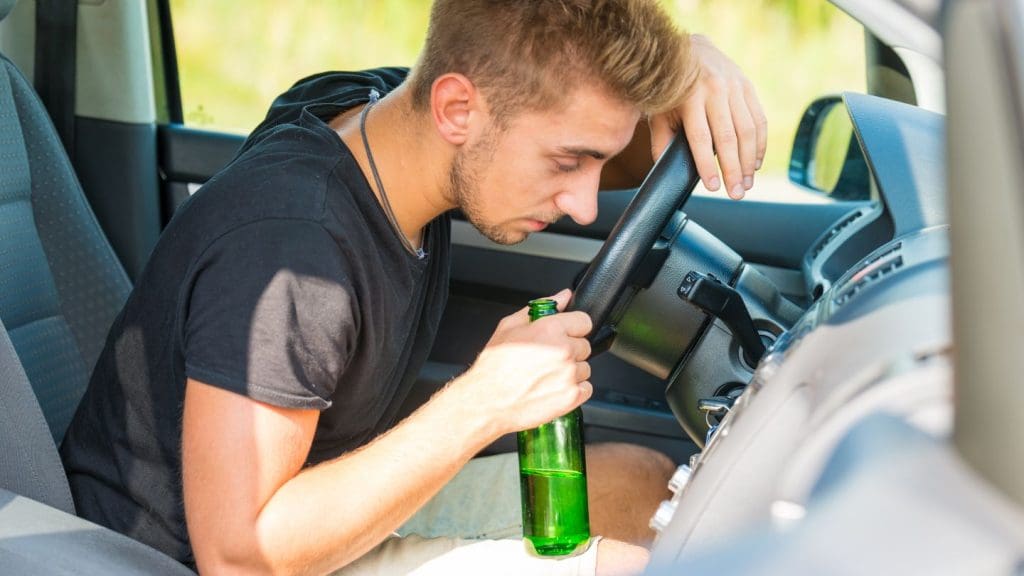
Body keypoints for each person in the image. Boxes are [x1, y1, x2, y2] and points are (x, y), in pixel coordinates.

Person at [60, 1, 767, 574]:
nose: (586, 203)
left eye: (594, 161)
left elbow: (572, 124)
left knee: (645, 486)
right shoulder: (292, 254)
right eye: (567, 163)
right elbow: (241, 556)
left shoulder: (377, 111)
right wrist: (484, 402)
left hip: (323, 496)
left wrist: (691, 67)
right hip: (189, 556)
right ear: (456, 110)